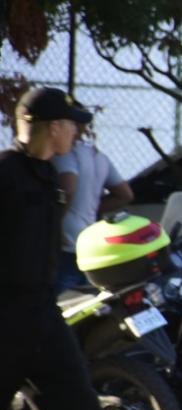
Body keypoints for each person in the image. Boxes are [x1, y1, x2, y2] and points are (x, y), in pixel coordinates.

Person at [0, 87, 161, 410]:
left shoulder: (50, 175)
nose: (77, 131)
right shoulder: (5, 174)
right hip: (4, 320)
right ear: (53, 127)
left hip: (43, 317)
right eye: (71, 124)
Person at [51, 105, 133, 294]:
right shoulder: (99, 156)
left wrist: (56, 222)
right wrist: (92, 207)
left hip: (65, 239)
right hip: (89, 241)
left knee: (50, 299)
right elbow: (125, 195)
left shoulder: (66, 154)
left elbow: (68, 189)